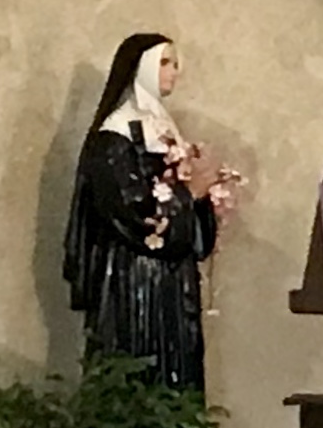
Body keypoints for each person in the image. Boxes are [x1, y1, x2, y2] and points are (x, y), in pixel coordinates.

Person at [63, 32, 239, 397]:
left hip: (173, 281)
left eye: (175, 63)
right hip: (132, 277)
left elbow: (187, 224)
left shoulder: (165, 127)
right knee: (136, 372)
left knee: (177, 371)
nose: (174, 71)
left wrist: (202, 196)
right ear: (140, 67)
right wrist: (188, 194)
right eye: (165, 62)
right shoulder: (114, 136)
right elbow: (129, 213)